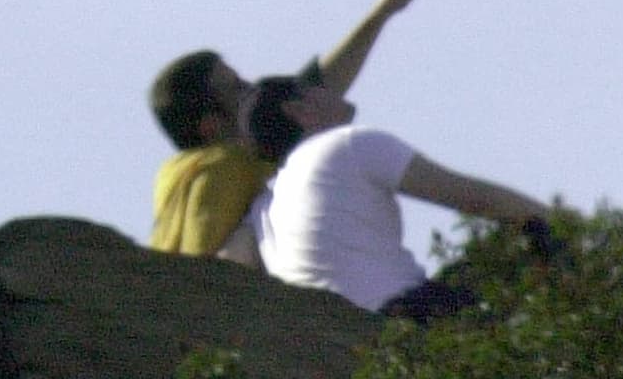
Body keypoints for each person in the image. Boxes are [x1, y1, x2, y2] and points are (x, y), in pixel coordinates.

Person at [220, 75, 561, 324]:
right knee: (524, 240)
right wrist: (569, 223)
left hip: (343, 346)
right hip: (410, 317)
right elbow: (472, 199)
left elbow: (228, 269)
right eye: (316, 87)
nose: (331, 88)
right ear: (300, 111)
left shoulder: (261, 210)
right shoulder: (346, 144)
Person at [148, 0, 430, 256]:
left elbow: (310, 93)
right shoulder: (228, 165)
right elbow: (307, 98)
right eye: (236, 88)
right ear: (211, 126)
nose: (251, 90)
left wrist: (385, 9)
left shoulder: (176, 175)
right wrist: (384, 9)